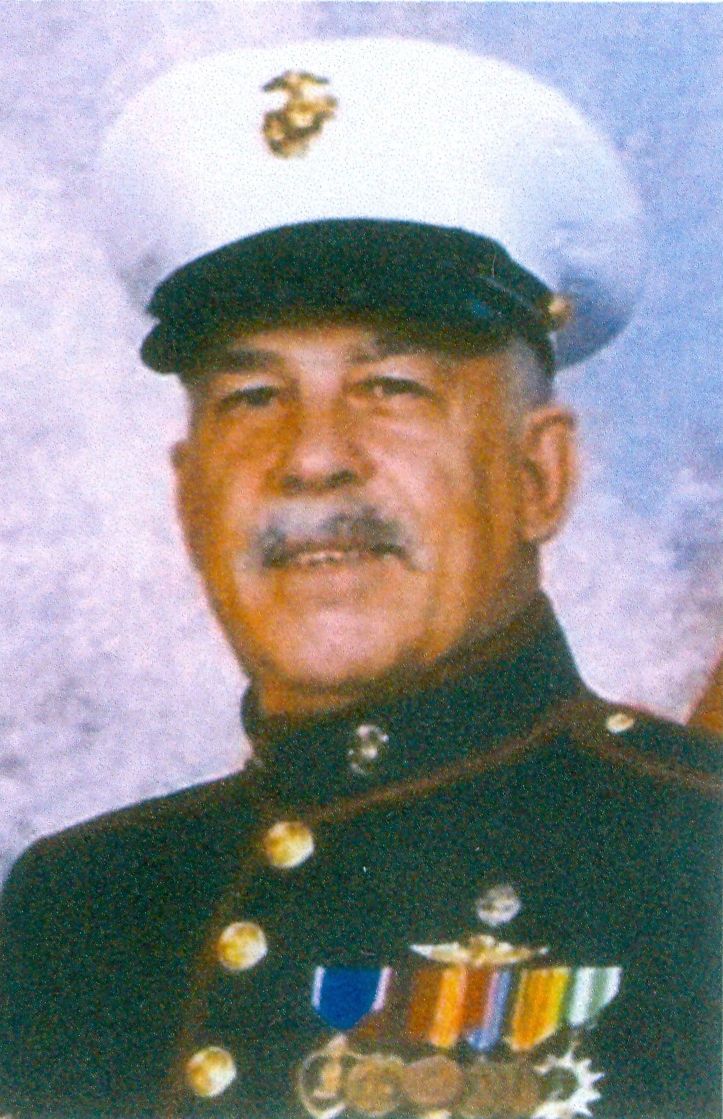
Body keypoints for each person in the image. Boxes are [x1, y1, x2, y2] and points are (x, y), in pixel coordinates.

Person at [0, 38, 719, 1119]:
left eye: (391, 388)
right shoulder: (78, 907)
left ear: (539, 476)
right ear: (189, 498)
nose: (311, 458)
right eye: (251, 397)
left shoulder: (698, 859)